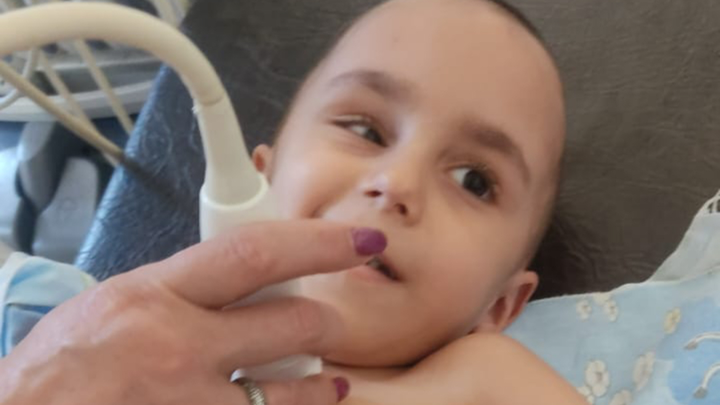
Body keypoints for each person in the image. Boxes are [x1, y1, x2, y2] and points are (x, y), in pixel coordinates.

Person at [0, 0, 585, 404]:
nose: (397, 184)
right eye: (365, 130)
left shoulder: (485, 383)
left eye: (473, 181)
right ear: (257, 184)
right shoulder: (71, 334)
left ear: (500, 306)